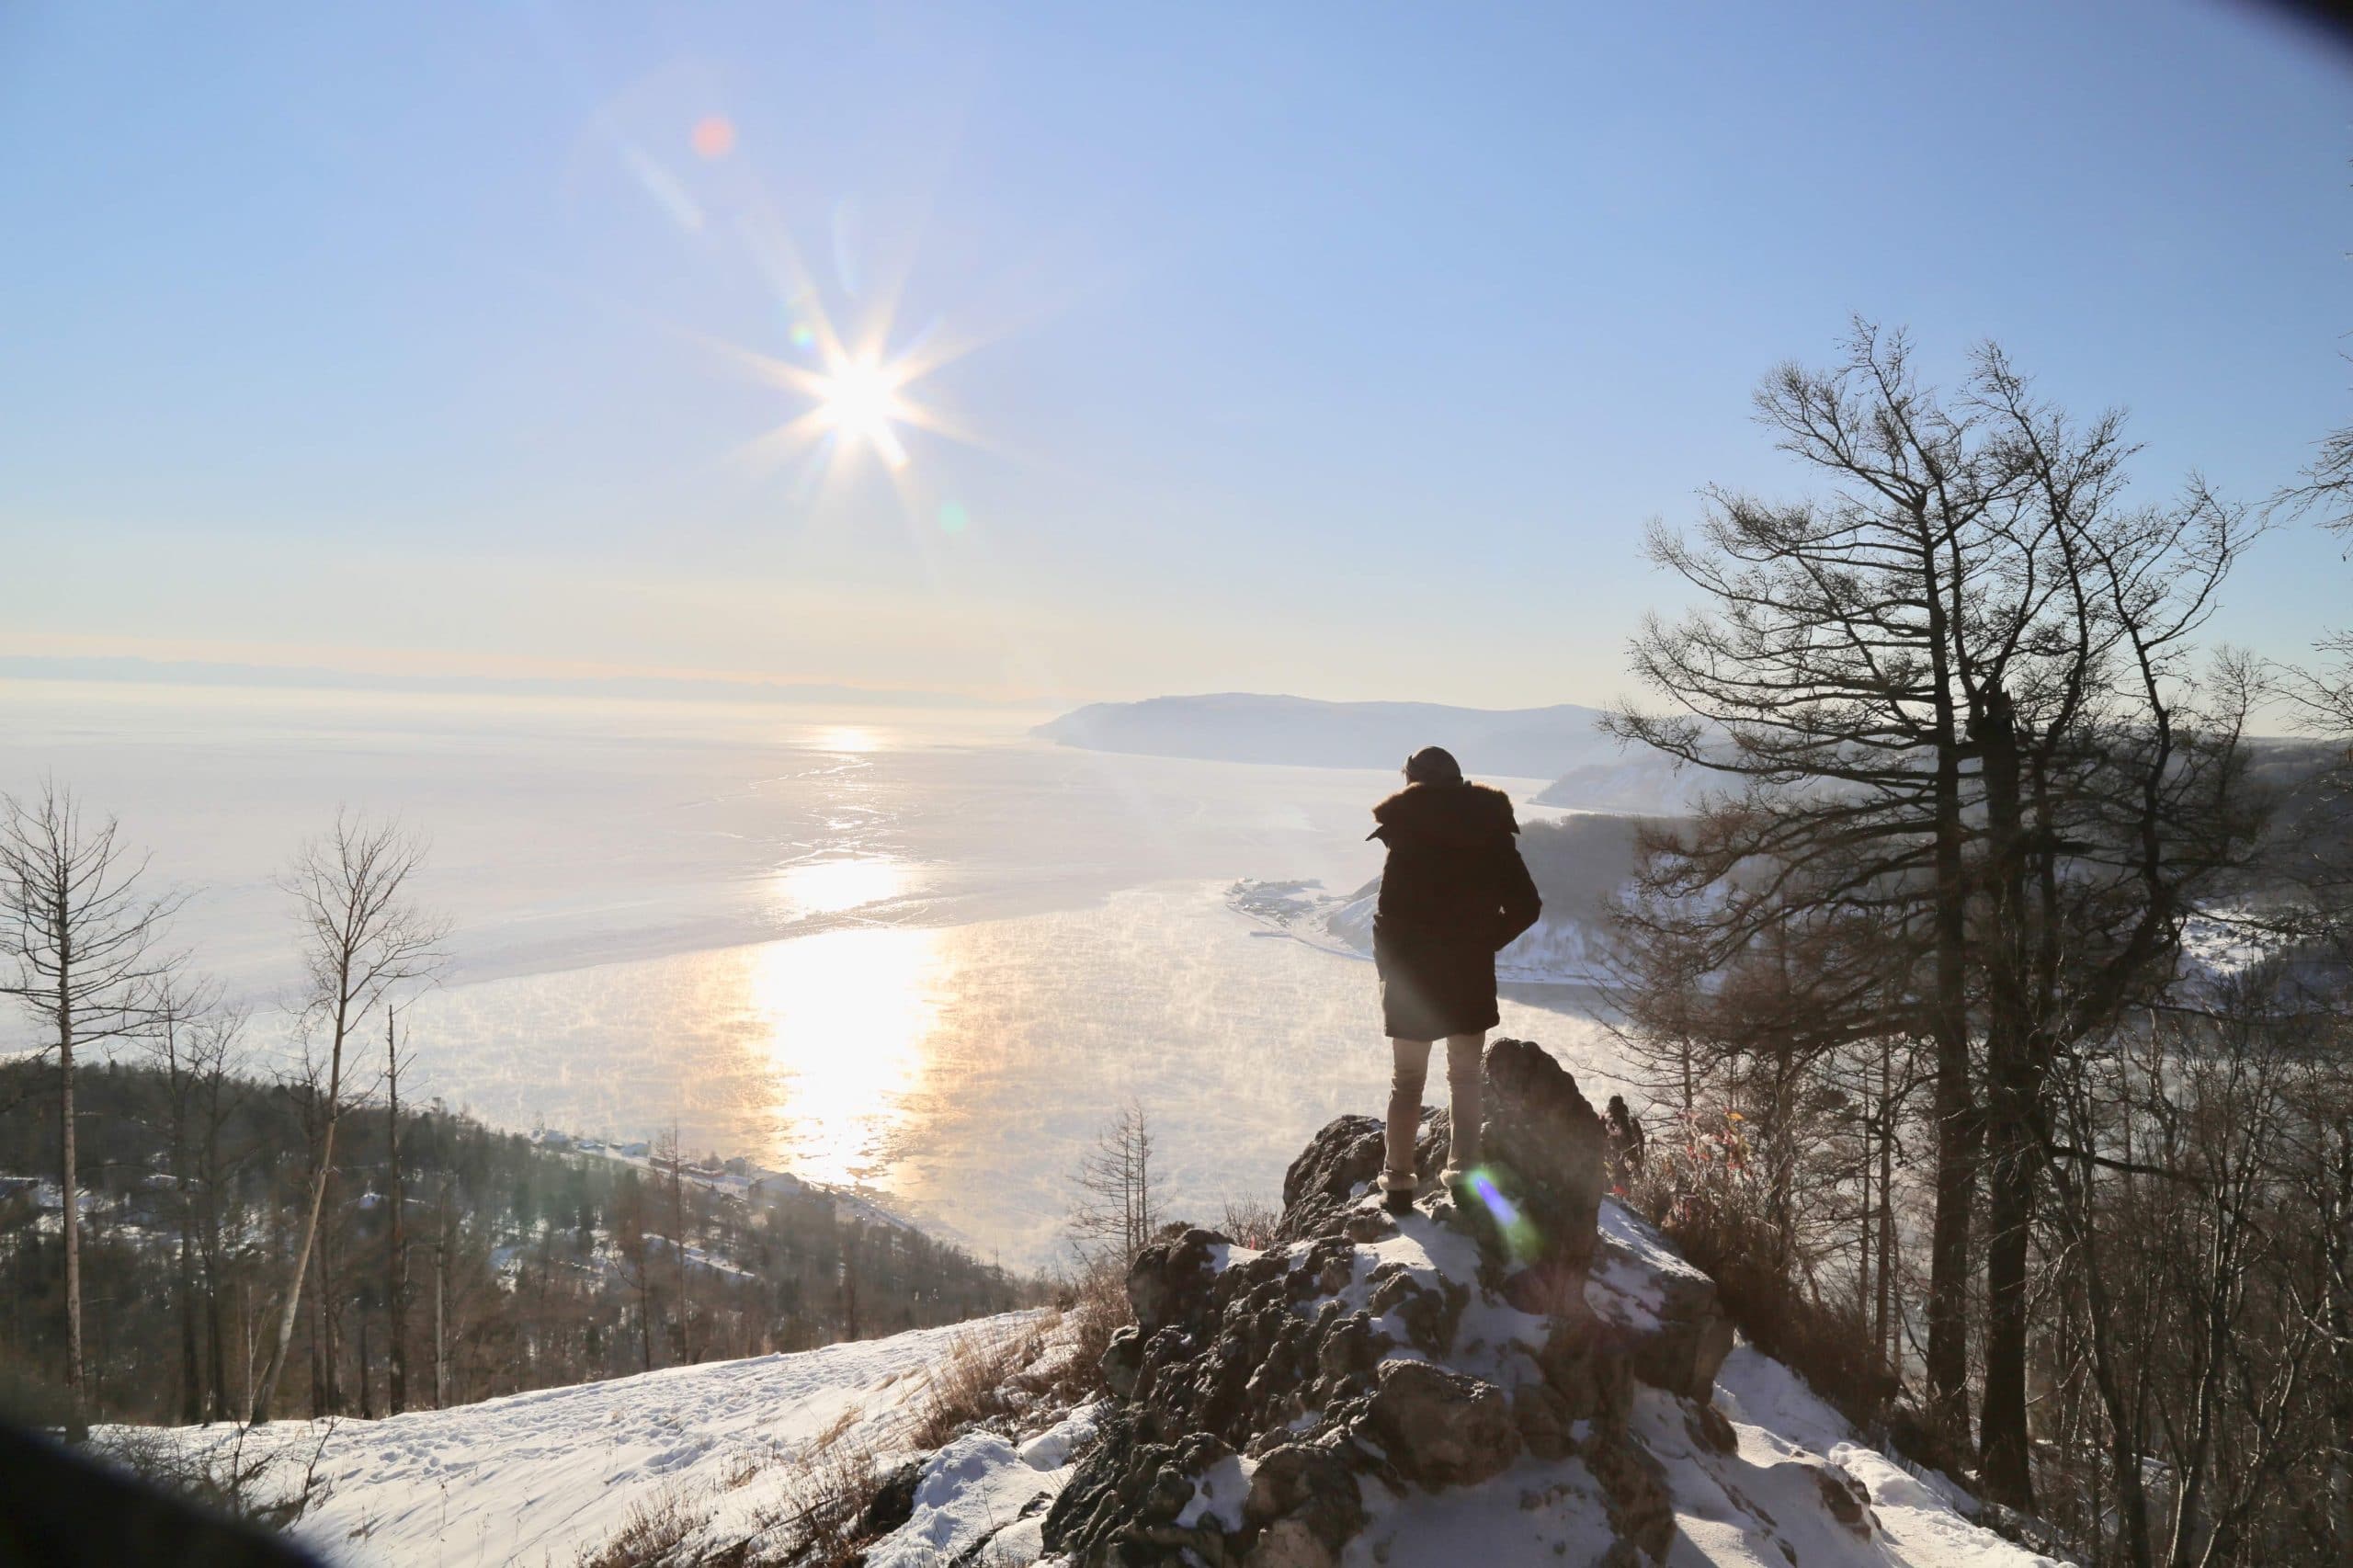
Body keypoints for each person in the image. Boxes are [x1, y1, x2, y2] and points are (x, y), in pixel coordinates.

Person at [1367, 745, 1541, 1212]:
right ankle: (1465, 1176)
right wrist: (1484, 942)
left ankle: (1398, 1186)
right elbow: (1527, 906)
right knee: (1465, 1078)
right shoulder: (1491, 830)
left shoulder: (1406, 831)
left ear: (1413, 783)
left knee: (1407, 1082)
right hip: (1468, 974)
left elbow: (1387, 918)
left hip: (1413, 983)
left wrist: (1391, 973)